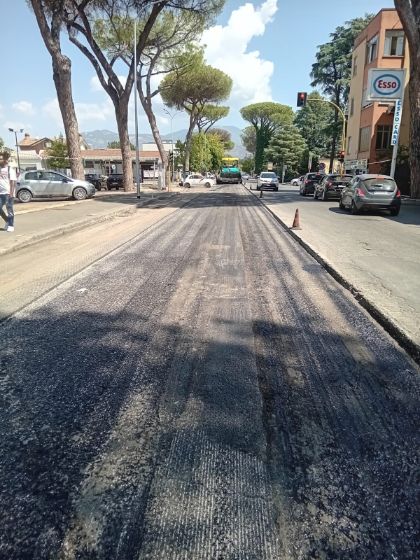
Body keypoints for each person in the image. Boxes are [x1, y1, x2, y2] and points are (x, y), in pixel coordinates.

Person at [0, 151, 16, 232]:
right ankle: (7, 220)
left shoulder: (10, 169)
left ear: (5, 160)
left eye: (1, 159)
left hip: (8, 193)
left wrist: (11, 193)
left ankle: (11, 225)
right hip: (0, 193)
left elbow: (12, 182)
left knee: (9, 210)